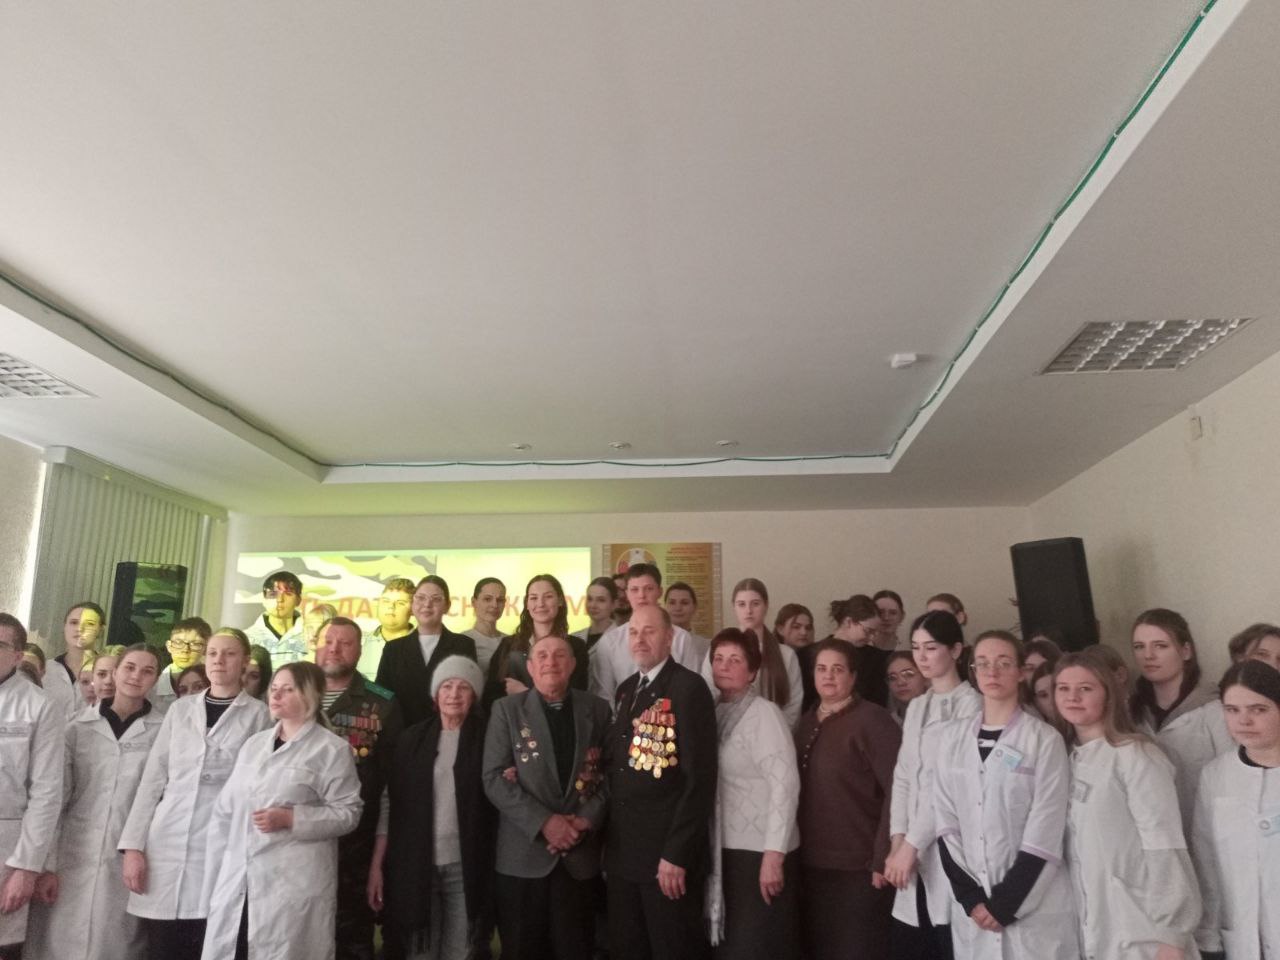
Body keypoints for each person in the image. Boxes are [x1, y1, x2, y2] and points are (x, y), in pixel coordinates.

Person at [118, 628, 271, 960]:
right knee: (162, 945)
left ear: (245, 661)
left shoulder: (260, 715)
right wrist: (133, 848)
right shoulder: (181, 710)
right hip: (166, 842)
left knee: (210, 940)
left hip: (222, 844)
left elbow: (261, 788)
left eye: (229, 654)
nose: (219, 660)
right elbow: (152, 780)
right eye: (213, 653)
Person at [201, 661, 363, 960]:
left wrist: (292, 818)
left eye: (287, 690)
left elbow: (348, 812)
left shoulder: (331, 749)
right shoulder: (254, 744)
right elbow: (226, 809)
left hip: (291, 884)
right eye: (273, 688)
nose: (275, 696)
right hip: (239, 878)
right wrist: (217, 867)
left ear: (310, 695)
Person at [932, 630, 1078, 960]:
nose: (992, 672)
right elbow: (946, 821)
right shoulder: (952, 739)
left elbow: (1046, 830)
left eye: (1003, 662)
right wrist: (971, 898)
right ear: (973, 671)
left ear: (1021, 671)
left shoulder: (1043, 740)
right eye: (983, 663)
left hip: (1034, 911)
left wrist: (1006, 904)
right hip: (975, 911)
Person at [1053, 650, 1201, 960]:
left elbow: (1164, 845)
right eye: (1063, 688)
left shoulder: (1135, 755)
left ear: (1108, 694)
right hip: (1093, 929)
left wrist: (1173, 934)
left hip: (1145, 928)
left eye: (1085, 688)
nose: (1073, 697)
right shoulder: (1065, 758)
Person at [24, 644, 165, 960]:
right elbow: (56, 800)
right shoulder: (76, 727)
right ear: (116, 672)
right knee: (57, 943)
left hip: (127, 856)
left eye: (147, 671)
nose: (136, 676)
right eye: (129, 667)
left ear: (156, 679)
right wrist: (47, 864)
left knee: (116, 943)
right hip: (71, 854)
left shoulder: (163, 730)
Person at [483, 633, 612, 960]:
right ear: (529, 667)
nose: (550, 662)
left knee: (577, 949)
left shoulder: (597, 709)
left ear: (573, 664)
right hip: (523, 859)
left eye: (559, 655)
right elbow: (493, 777)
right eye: (542, 656)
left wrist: (584, 821)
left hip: (578, 856)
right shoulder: (506, 710)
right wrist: (545, 823)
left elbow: (611, 774)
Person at [603, 604, 717, 960]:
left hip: (665, 858)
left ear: (669, 638)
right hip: (624, 854)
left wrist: (676, 854)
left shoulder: (688, 688)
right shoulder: (626, 690)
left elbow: (699, 780)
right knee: (629, 948)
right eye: (633, 632)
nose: (639, 639)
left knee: (673, 948)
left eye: (649, 631)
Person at [370, 656, 495, 960]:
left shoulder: (490, 738)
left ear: (474, 696)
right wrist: (377, 864)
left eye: (463, 687)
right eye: (447, 686)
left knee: (460, 952)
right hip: (417, 866)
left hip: (467, 867)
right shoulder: (410, 739)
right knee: (421, 954)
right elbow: (390, 802)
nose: (454, 694)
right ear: (435, 695)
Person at [883, 611, 982, 960]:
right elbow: (904, 775)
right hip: (912, 844)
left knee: (947, 934)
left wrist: (912, 844)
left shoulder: (971, 704)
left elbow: (946, 785)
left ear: (955, 650)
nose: (922, 657)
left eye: (931, 647)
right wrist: (898, 838)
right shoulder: (918, 706)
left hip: (948, 844)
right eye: (916, 648)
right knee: (912, 938)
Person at [794, 638, 901, 960]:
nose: (828, 676)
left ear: (853, 676)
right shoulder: (806, 722)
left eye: (838, 669)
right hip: (812, 864)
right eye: (821, 669)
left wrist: (883, 856)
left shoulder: (873, 720)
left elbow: (898, 791)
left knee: (857, 949)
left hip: (861, 866)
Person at [705, 629, 800, 960]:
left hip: (759, 851)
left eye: (735, 660)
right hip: (722, 847)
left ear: (752, 671)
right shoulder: (711, 710)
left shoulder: (764, 713)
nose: (724, 666)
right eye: (718, 658)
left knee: (754, 946)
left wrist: (774, 855)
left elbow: (785, 784)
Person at [317, 617, 404, 960]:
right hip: (294, 838)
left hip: (356, 844)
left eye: (345, 643)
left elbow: (392, 783)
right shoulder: (291, 690)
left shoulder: (382, 702)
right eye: (328, 641)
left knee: (352, 938)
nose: (334, 649)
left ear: (359, 650)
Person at [1192, 660, 1280, 960]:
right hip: (1241, 940)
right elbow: (1206, 861)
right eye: (1232, 710)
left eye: (1258, 709)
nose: (1244, 720)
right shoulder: (1216, 776)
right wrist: (1209, 937)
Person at [1128, 608, 1233, 827]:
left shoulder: (1213, 710)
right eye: (1139, 646)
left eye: (1160, 645)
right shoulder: (1130, 712)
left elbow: (1232, 781)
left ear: (1185, 651)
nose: (1148, 655)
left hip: (1205, 830)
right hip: (1152, 831)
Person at [0, 613, 63, 960]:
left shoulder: (39, 706)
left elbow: (47, 793)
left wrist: (26, 867)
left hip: (6, 850)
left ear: (18, 655)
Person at [588, 564, 705, 704]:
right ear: (626, 593)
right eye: (634, 589)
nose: (641, 596)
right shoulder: (610, 641)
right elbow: (604, 696)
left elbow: (690, 690)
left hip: (671, 715)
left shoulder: (681, 638)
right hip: (624, 715)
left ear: (659, 591)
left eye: (648, 589)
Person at [375, 576, 477, 728]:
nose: (427, 604)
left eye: (436, 599)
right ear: (413, 604)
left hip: (447, 734)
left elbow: (469, 699)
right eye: (421, 598)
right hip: (402, 735)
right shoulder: (393, 649)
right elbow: (381, 696)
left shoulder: (463, 646)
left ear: (447, 606)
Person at [700, 580, 803, 729]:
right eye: (741, 604)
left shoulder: (786, 655)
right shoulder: (718, 649)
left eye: (755, 604)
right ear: (734, 607)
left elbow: (793, 706)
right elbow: (708, 692)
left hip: (772, 732)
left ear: (766, 606)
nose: (748, 611)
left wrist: (774, 732)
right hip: (726, 728)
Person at [488, 575, 589, 706]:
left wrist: (525, 693)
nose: (540, 604)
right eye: (534, 598)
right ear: (527, 604)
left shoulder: (576, 647)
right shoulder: (508, 645)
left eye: (548, 597)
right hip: (512, 717)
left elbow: (578, 698)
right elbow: (491, 696)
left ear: (560, 601)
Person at [43, 602, 106, 722]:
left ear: (100, 630)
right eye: (74, 622)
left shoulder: (109, 673)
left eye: (89, 624)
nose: (80, 629)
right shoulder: (45, 670)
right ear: (64, 627)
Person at [831, 595, 892, 708]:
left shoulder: (877, 659)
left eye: (875, 632)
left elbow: (879, 704)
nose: (872, 638)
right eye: (868, 631)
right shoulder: (811, 653)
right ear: (848, 622)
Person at [358, 578, 417, 680]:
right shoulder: (358, 643)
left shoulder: (426, 648)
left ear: (413, 609)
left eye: (400, 603)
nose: (391, 607)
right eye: (386, 601)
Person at [243, 572, 307, 664]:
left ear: (298, 600)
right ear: (264, 600)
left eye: (288, 593)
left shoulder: (310, 637)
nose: (280, 599)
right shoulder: (247, 639)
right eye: (273, 594)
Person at [151, 619, 211, 714]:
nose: (185, 650)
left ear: (206, 649)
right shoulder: (152, 686)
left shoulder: (214, 685)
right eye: (179, 643)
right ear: (169, 646)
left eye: (195, 644)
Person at [774, 604, 818, 713]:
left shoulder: (818, 659)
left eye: (808, 628)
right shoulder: (773, 659)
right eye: (796, 627)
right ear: (780, 629)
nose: (804, 632)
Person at [464, 577, 508, 674]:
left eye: (500, 600)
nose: (495, 605)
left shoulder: (512, 642)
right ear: (474, 602)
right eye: (487, 599)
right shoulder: (462, 641)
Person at [665, 583, 709, 666]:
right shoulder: (657, 642)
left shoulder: (705, 646)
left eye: (684, 603)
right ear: (665, 606)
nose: (678, 608)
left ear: (694, 607)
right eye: (672, 603)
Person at [572, 577, 618, 653]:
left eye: (601, 600)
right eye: (590, 599)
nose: (593, 605)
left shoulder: (623, 639)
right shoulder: (574, 638)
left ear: (614, 604)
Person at [886, 652, 928, 726]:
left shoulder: (942, 716)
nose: (900, 683)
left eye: (909, 674)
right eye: (892, 678)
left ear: (925, 677)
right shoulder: (887, 722)